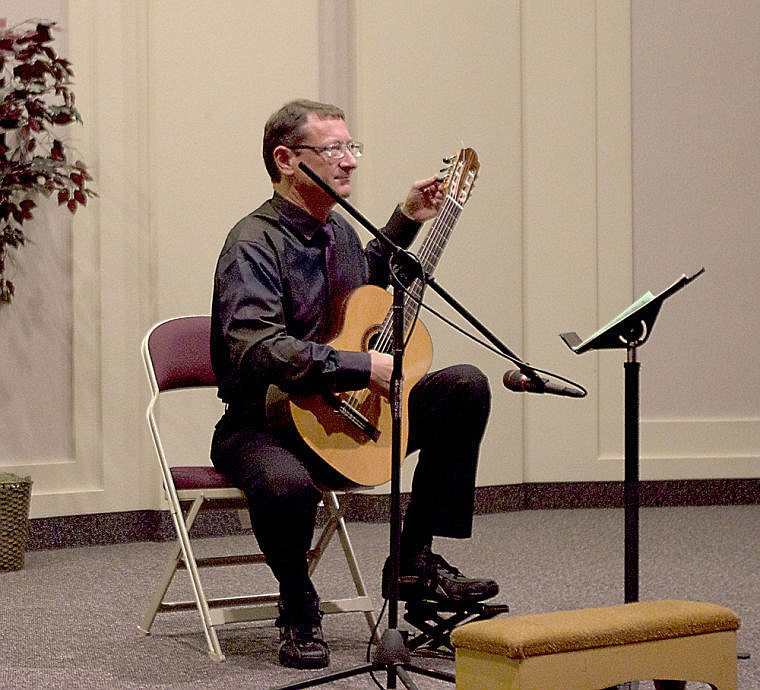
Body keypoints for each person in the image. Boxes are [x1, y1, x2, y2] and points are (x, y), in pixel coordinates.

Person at [210, 99, 498, 670]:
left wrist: (408, 218)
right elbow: (254, 344)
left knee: (464, 385)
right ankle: (298, 605)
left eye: (352, 147)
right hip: (261, 424)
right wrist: (361, 368)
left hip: (343, 413)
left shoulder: (337, 233)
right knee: (288, 486)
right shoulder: (252, 242)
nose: (350, 162)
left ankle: (413, 560)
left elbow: (358, 293)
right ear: (287, 159)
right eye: (334, 149)